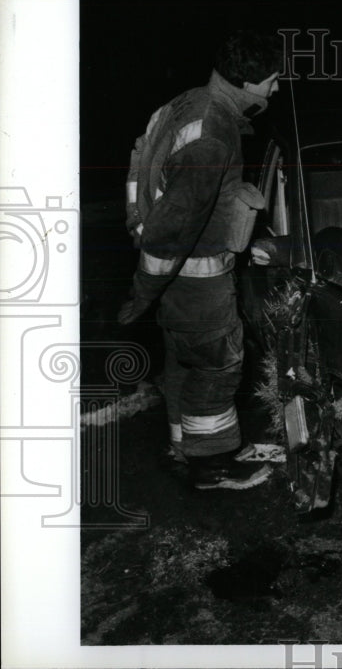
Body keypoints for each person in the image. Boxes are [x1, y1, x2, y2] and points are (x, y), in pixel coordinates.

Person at [119, 30, 285, 489]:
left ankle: (183, 446)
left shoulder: (184, 105)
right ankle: (213, 467)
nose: (275, 89)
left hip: (176, 284)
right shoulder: (213, 132)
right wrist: (143, 291)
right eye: (272, 80)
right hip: (197, 285)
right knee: (217, 368)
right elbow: (175, 227)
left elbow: (139, 171)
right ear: (248, 82)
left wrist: (139, 234)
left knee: (184, 364)